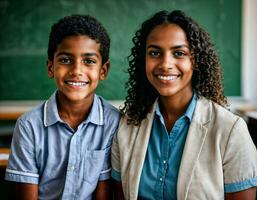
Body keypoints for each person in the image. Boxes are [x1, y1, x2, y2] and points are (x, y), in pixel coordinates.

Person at [111, 10, 257, 200]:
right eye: (154, 53)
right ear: (143, 60)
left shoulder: (230, 130)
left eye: (179, 53)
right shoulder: (127, 125)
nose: (165, 64)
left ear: (195, 61)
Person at [5, 14, 120, 200]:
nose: (76, 70)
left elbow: (104, 192)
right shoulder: (28, 126)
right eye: (66, 60)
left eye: (89, 61)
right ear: (51, 67)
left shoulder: (113, 122)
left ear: (103, 70)